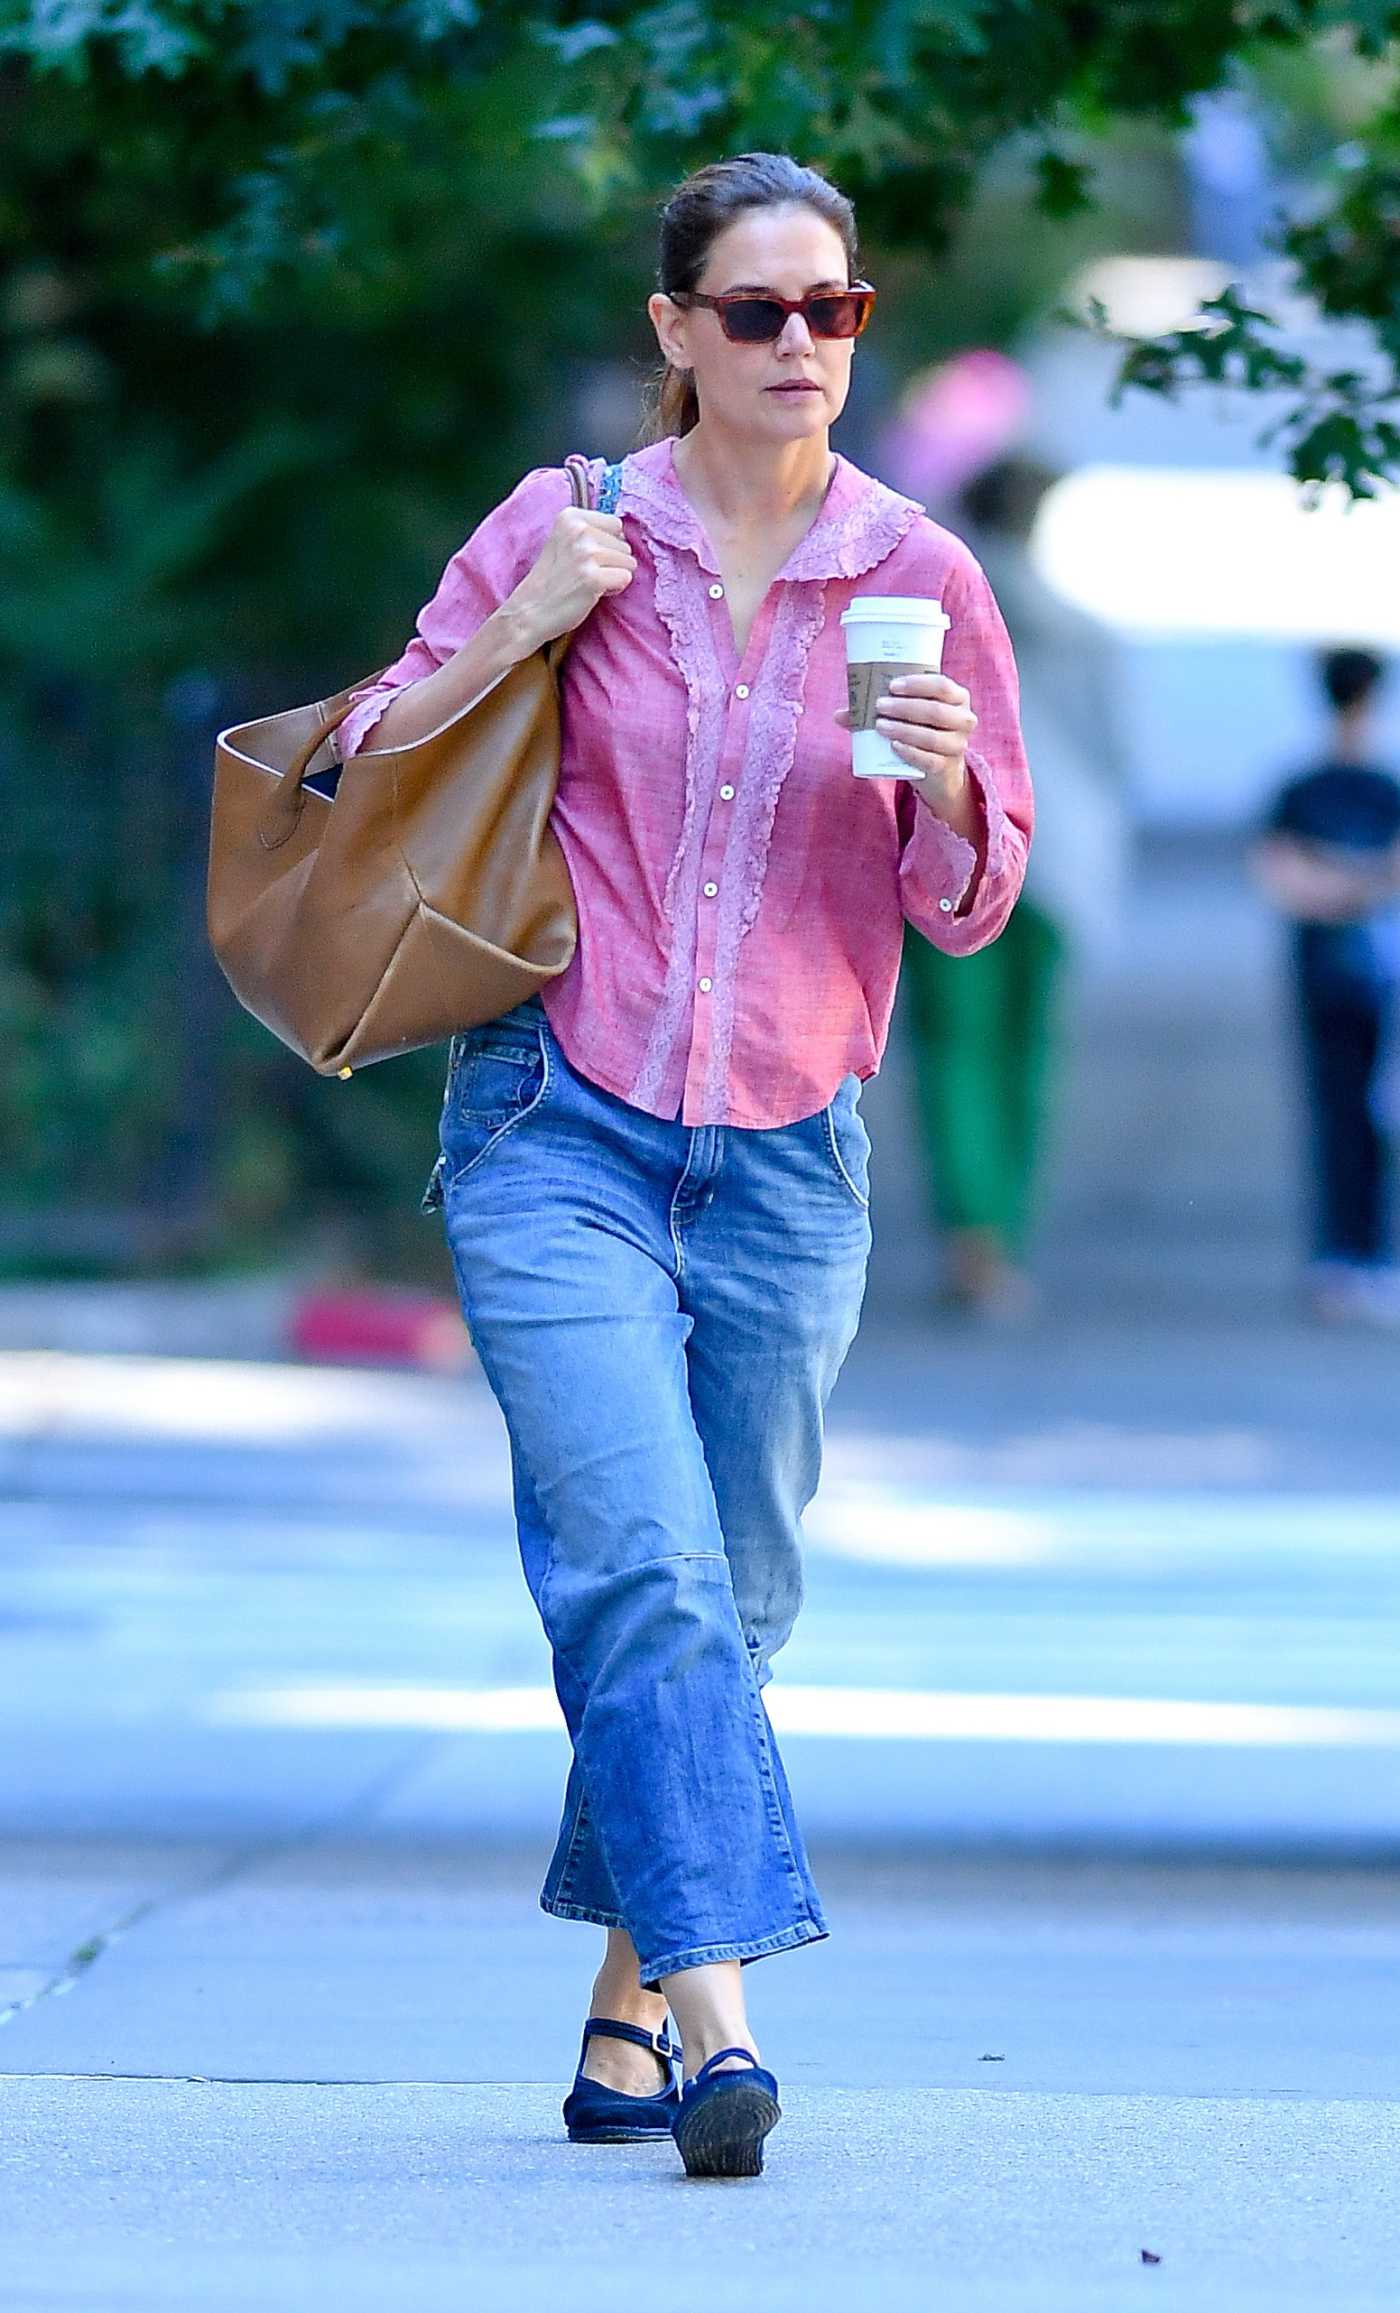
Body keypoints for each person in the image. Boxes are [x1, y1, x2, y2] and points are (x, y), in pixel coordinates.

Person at [335, 151, 1031, 2178]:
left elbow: (973, 905)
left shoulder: (918, 575)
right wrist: (526, 626)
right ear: (673, 334)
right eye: (757, 311)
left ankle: (626, 1998)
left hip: (792, 1152)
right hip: (558, 1118)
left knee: (730, 1590)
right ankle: (721, 2014)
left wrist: (949, 781)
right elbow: (375, 761)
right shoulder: (568, 532)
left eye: (834, 309)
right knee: (635, 1563)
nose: (802, 344)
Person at [897, 453, 1128, 1319]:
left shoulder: (931, 617)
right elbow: (1118, 755)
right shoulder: (1087, 633)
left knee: (954, 1048)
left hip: (952, 842)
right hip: (1060, 860)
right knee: (1028, 1051)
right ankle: (1009, 1232)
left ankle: (973, 1234)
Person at [1250, 647, 1400, 1324]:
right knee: (1344, 1109)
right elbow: (1288, 881)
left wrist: (1331, 879)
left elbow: (1293, 878)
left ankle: (1356, 1251)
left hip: (1349, 972)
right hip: (1340, 973)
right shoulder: (1353, 792)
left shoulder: (1305, 792)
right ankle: (1353, 1252)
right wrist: (1365, 882)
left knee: (1352, 1112)